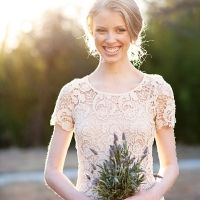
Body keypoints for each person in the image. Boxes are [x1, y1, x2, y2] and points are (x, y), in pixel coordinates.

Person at [44, 0, 179, 200]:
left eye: (120, 30)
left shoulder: (157, 90)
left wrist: (147, 198)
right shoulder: (73, 93)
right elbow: (52, 171)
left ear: (133, 31)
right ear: (91, 31)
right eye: (101, 30)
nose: (110, 39)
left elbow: (170, 166)